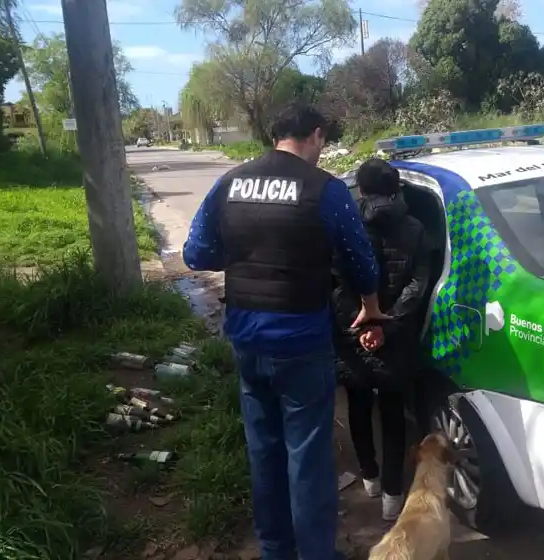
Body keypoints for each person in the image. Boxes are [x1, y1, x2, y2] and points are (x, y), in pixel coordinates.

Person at [182, 103, 388, 560]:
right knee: (308, 460)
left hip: (247, 341)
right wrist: (370, 308)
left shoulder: (229, 183)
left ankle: (276, 551)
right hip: (300, 344)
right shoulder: (325, 190)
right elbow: (360, 262)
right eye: (323, 141)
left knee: (265, 453)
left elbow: (196, 253)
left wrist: (247, 258)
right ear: (314, 135)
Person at [330, 158, 431, 522]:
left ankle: (369, 477)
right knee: (392, 414)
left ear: (361, 189)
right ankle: (392, 494)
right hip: (395, 333)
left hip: (352, 333)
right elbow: (418, 285)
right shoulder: (417, 228)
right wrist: (386, 325)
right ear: (397, 188)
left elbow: (337, 283)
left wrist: (359, 327)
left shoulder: (344, 225)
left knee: (358, 406)